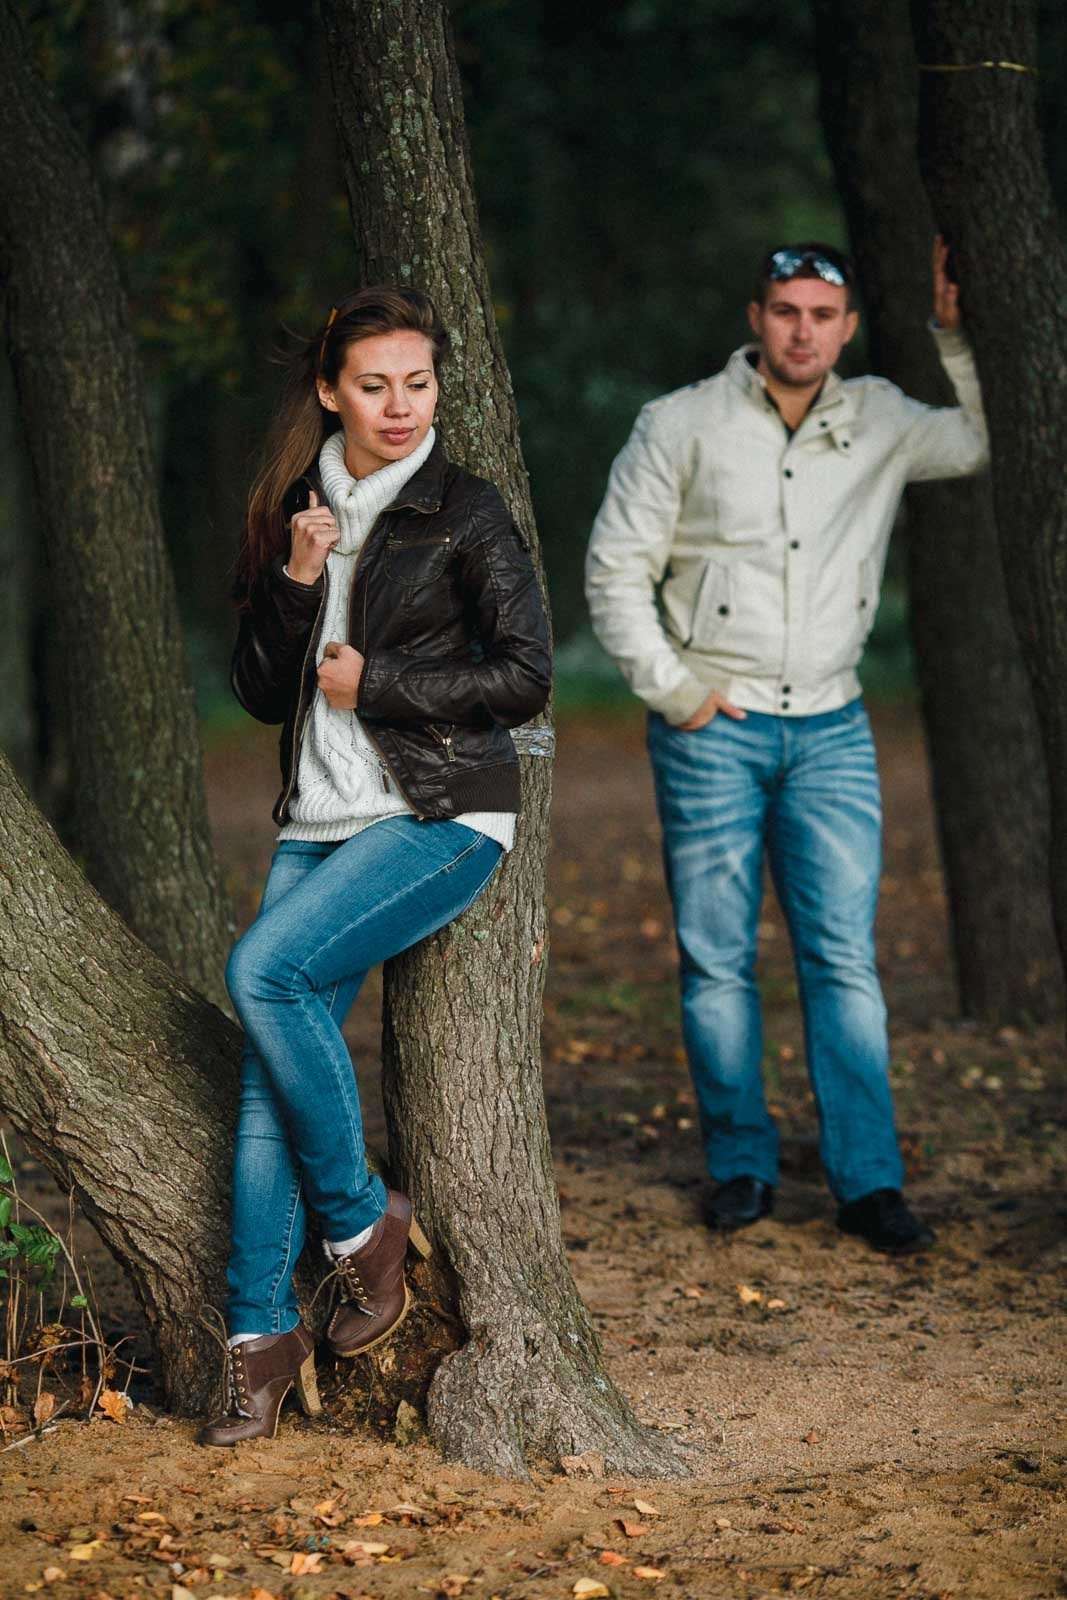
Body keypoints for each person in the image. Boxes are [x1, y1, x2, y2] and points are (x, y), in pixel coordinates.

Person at [199, 286, 551, 1446]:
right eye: (373, 385)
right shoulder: (294, 509)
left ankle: (361, 1224)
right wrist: (298, 578)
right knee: (266, 1075)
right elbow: (259, 690)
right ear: (328, 392)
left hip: (438, 810)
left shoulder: (465, 509)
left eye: (417, 382)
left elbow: (525, 675)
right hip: (317, 819)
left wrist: (380, 686)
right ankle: (258, 1336)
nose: (400, 407)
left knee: (263, 974)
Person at [585, 241, 987, 1253]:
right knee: (716, 959)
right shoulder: (679, 423)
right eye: (783, 310)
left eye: (820, 313)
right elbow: (613, 571)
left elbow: (984, 438)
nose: (801, 330)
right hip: (711, 730)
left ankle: (868, 1183)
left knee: (842, 958)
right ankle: (740, 1165)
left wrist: (953, 336)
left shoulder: (882, 418)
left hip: (832, 729)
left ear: (847, 327)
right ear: (754, 318)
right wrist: (677, 692)